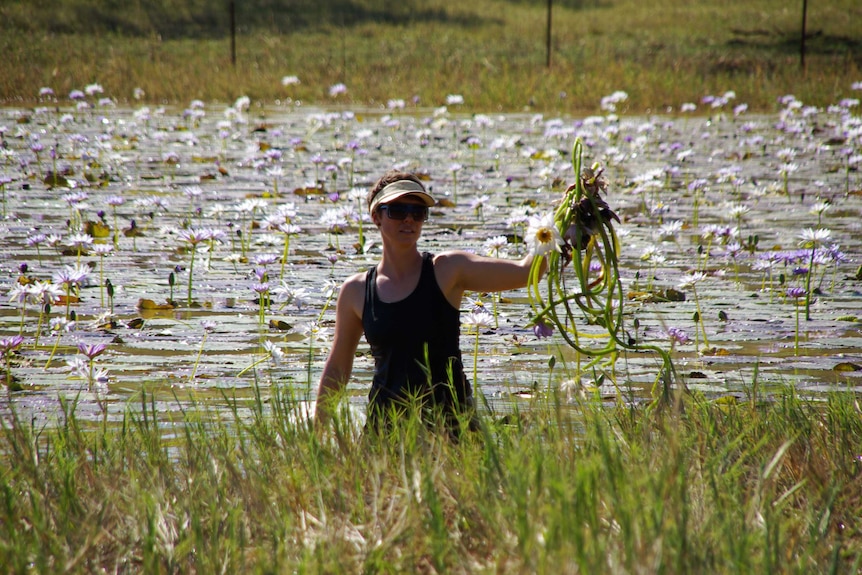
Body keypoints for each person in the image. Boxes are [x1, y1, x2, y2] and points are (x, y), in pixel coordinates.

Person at [315, 170, 542, 435]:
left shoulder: (447, 270)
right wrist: (316, 436)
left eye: (418, 211)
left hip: (453, 430)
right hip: (385, 433)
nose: (409, 218)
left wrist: (559, 226)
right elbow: (338, 368)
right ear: (376, 216)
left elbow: (528, 272)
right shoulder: (355, 290)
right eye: (398, 210)